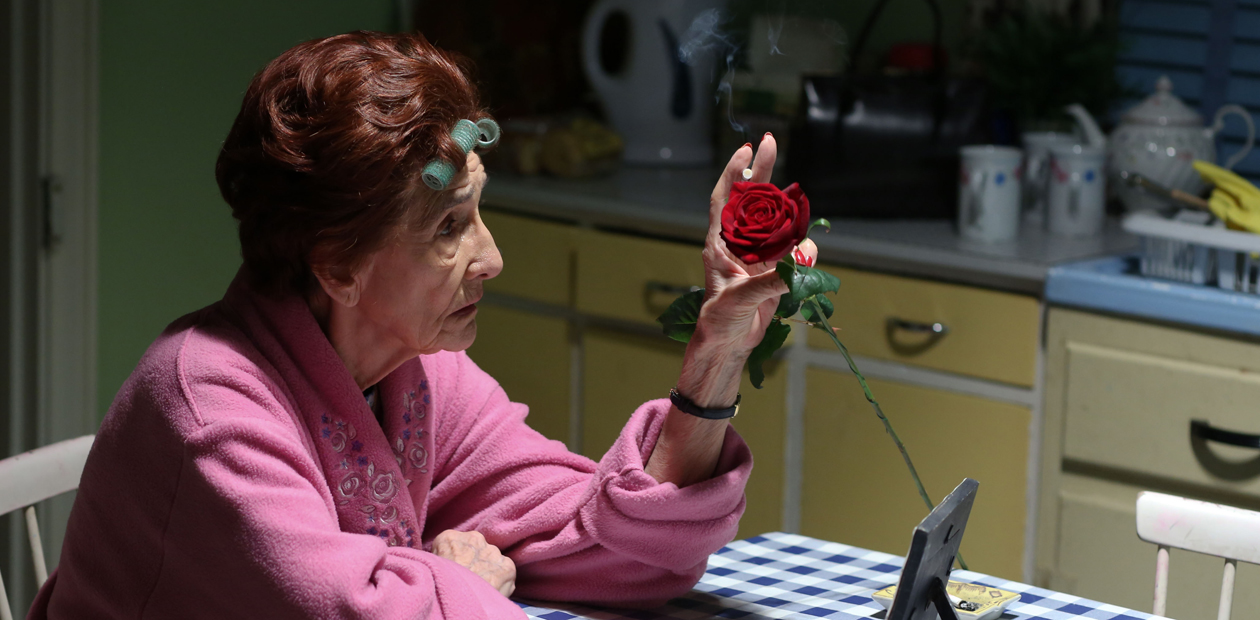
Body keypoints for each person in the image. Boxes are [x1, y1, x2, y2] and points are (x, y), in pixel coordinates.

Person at [29, 31, 817, 619]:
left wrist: (712, 365)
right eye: (447, 228)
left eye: (479, 214)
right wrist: (460, 580)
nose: (492, 258)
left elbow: (619, 548)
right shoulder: (210, 409)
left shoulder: (417, 375)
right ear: (336, 265)